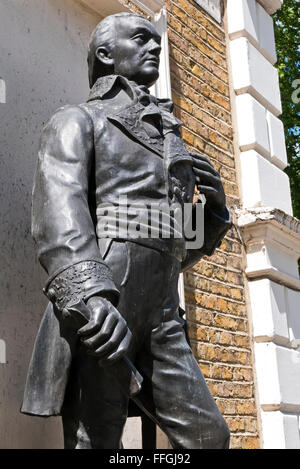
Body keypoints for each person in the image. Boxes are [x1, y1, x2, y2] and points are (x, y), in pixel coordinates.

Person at [22, 12, 231, 449]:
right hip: (107, 297)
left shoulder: (166, 139)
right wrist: (90, 296)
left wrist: (213, 213)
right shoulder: (78, 120)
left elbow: (171, 245)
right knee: (96, 439)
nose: (155, 47)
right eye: (141, 38)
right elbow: (60, 211)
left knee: (209, 437)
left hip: (162, 310)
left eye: (157, 41)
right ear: (104, 53)